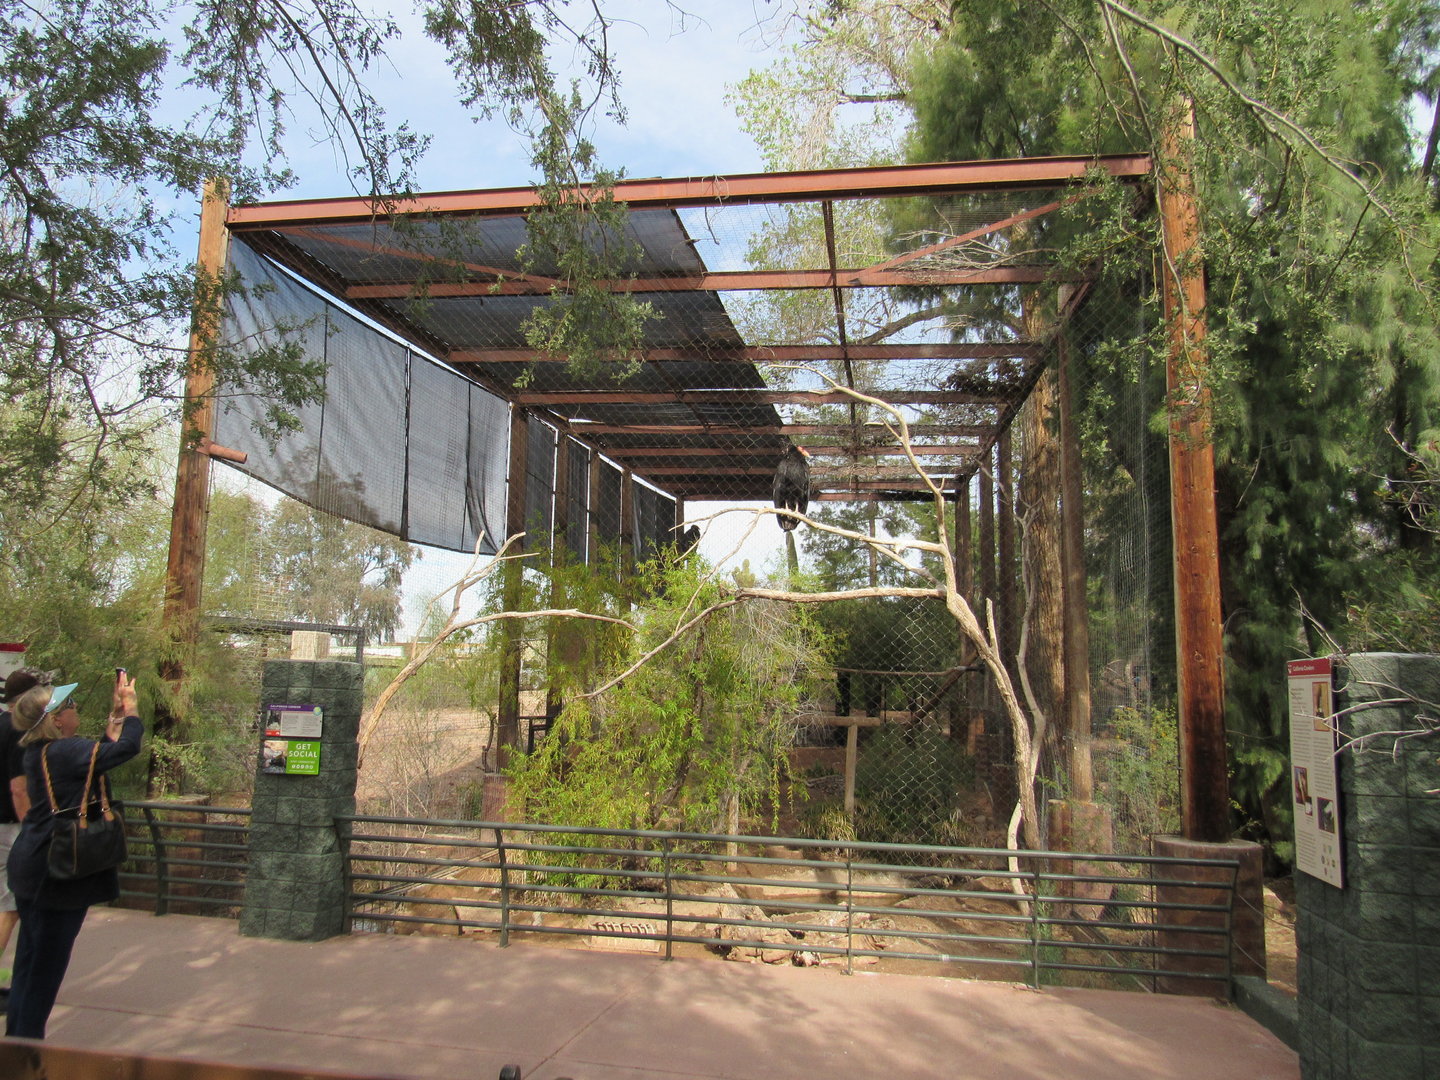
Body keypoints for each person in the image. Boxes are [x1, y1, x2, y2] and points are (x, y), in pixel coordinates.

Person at [6, 671, 142, 1038]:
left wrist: (115, 717)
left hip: (34, 862)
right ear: (54, 719)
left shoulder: (44, 751)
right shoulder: (64, 752)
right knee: (44, 970)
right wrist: (131, 711)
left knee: (29, 963)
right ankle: (25, 1053)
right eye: (69, 705)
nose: (75, 708)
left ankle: (17, 1043)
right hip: (57, 869)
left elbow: (100, 756)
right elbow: (126, 749)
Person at [0, 668, 47, 1000]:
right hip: (10, 828)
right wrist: (33, 831)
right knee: (10, 906)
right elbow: (19, 789)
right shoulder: (19, 731)